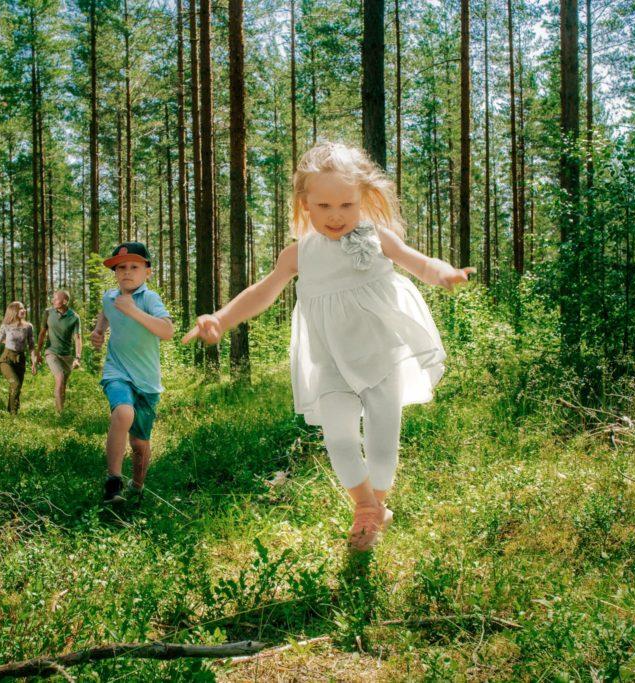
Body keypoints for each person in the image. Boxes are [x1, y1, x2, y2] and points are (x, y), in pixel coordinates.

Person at [184, 141, 473, 551]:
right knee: (337, 437)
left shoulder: (378, 237)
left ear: (363, 199)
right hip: (331, 362)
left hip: (381, 356)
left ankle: (375, 511)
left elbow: (418, 262)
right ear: (304, 204)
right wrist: (221, 318)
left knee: (382, 441)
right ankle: (366, 507)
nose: (336, 217)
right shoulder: (298, 253)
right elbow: (261, 293)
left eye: (346, 205)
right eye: (323, 207)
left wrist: (444, 274)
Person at [91, 241, 173, 504]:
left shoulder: (149, 299)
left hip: (147, 381)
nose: (127, 272)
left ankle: (137, 489)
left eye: (134, 267)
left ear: (147, 272)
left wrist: (133, 311)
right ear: (115, 273)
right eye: (121, 267)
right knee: (123, 412)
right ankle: (113, 482)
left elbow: (167, 332)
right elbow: (105, 311)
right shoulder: (110, 297)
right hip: (117, 370)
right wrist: (99, 331)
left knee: (139, 444)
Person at [36, 290, 82, 414]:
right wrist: (38, 352)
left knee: (63, 386)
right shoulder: (48, 313)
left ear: (65, 301)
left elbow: (77, 338)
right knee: (60, 378)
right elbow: (42, 333)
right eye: (53, 298)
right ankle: (59, 413)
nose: (53, 301)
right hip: (51, 352)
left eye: (56, 299)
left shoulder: (74, 317)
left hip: (67, 356)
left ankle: (62, 412)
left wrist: (78, 358)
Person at [0, 301, 37, 414]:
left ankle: (11, 413)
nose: (23, 310)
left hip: (21, 360)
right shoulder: (5, 326)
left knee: (16, 388)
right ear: (13, 311)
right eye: (20, 308)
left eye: (24, 308)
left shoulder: (28, 327)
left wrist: (33, 363)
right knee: (15, 384)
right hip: (6, 360)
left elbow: (31, 346)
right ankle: (13, 416)